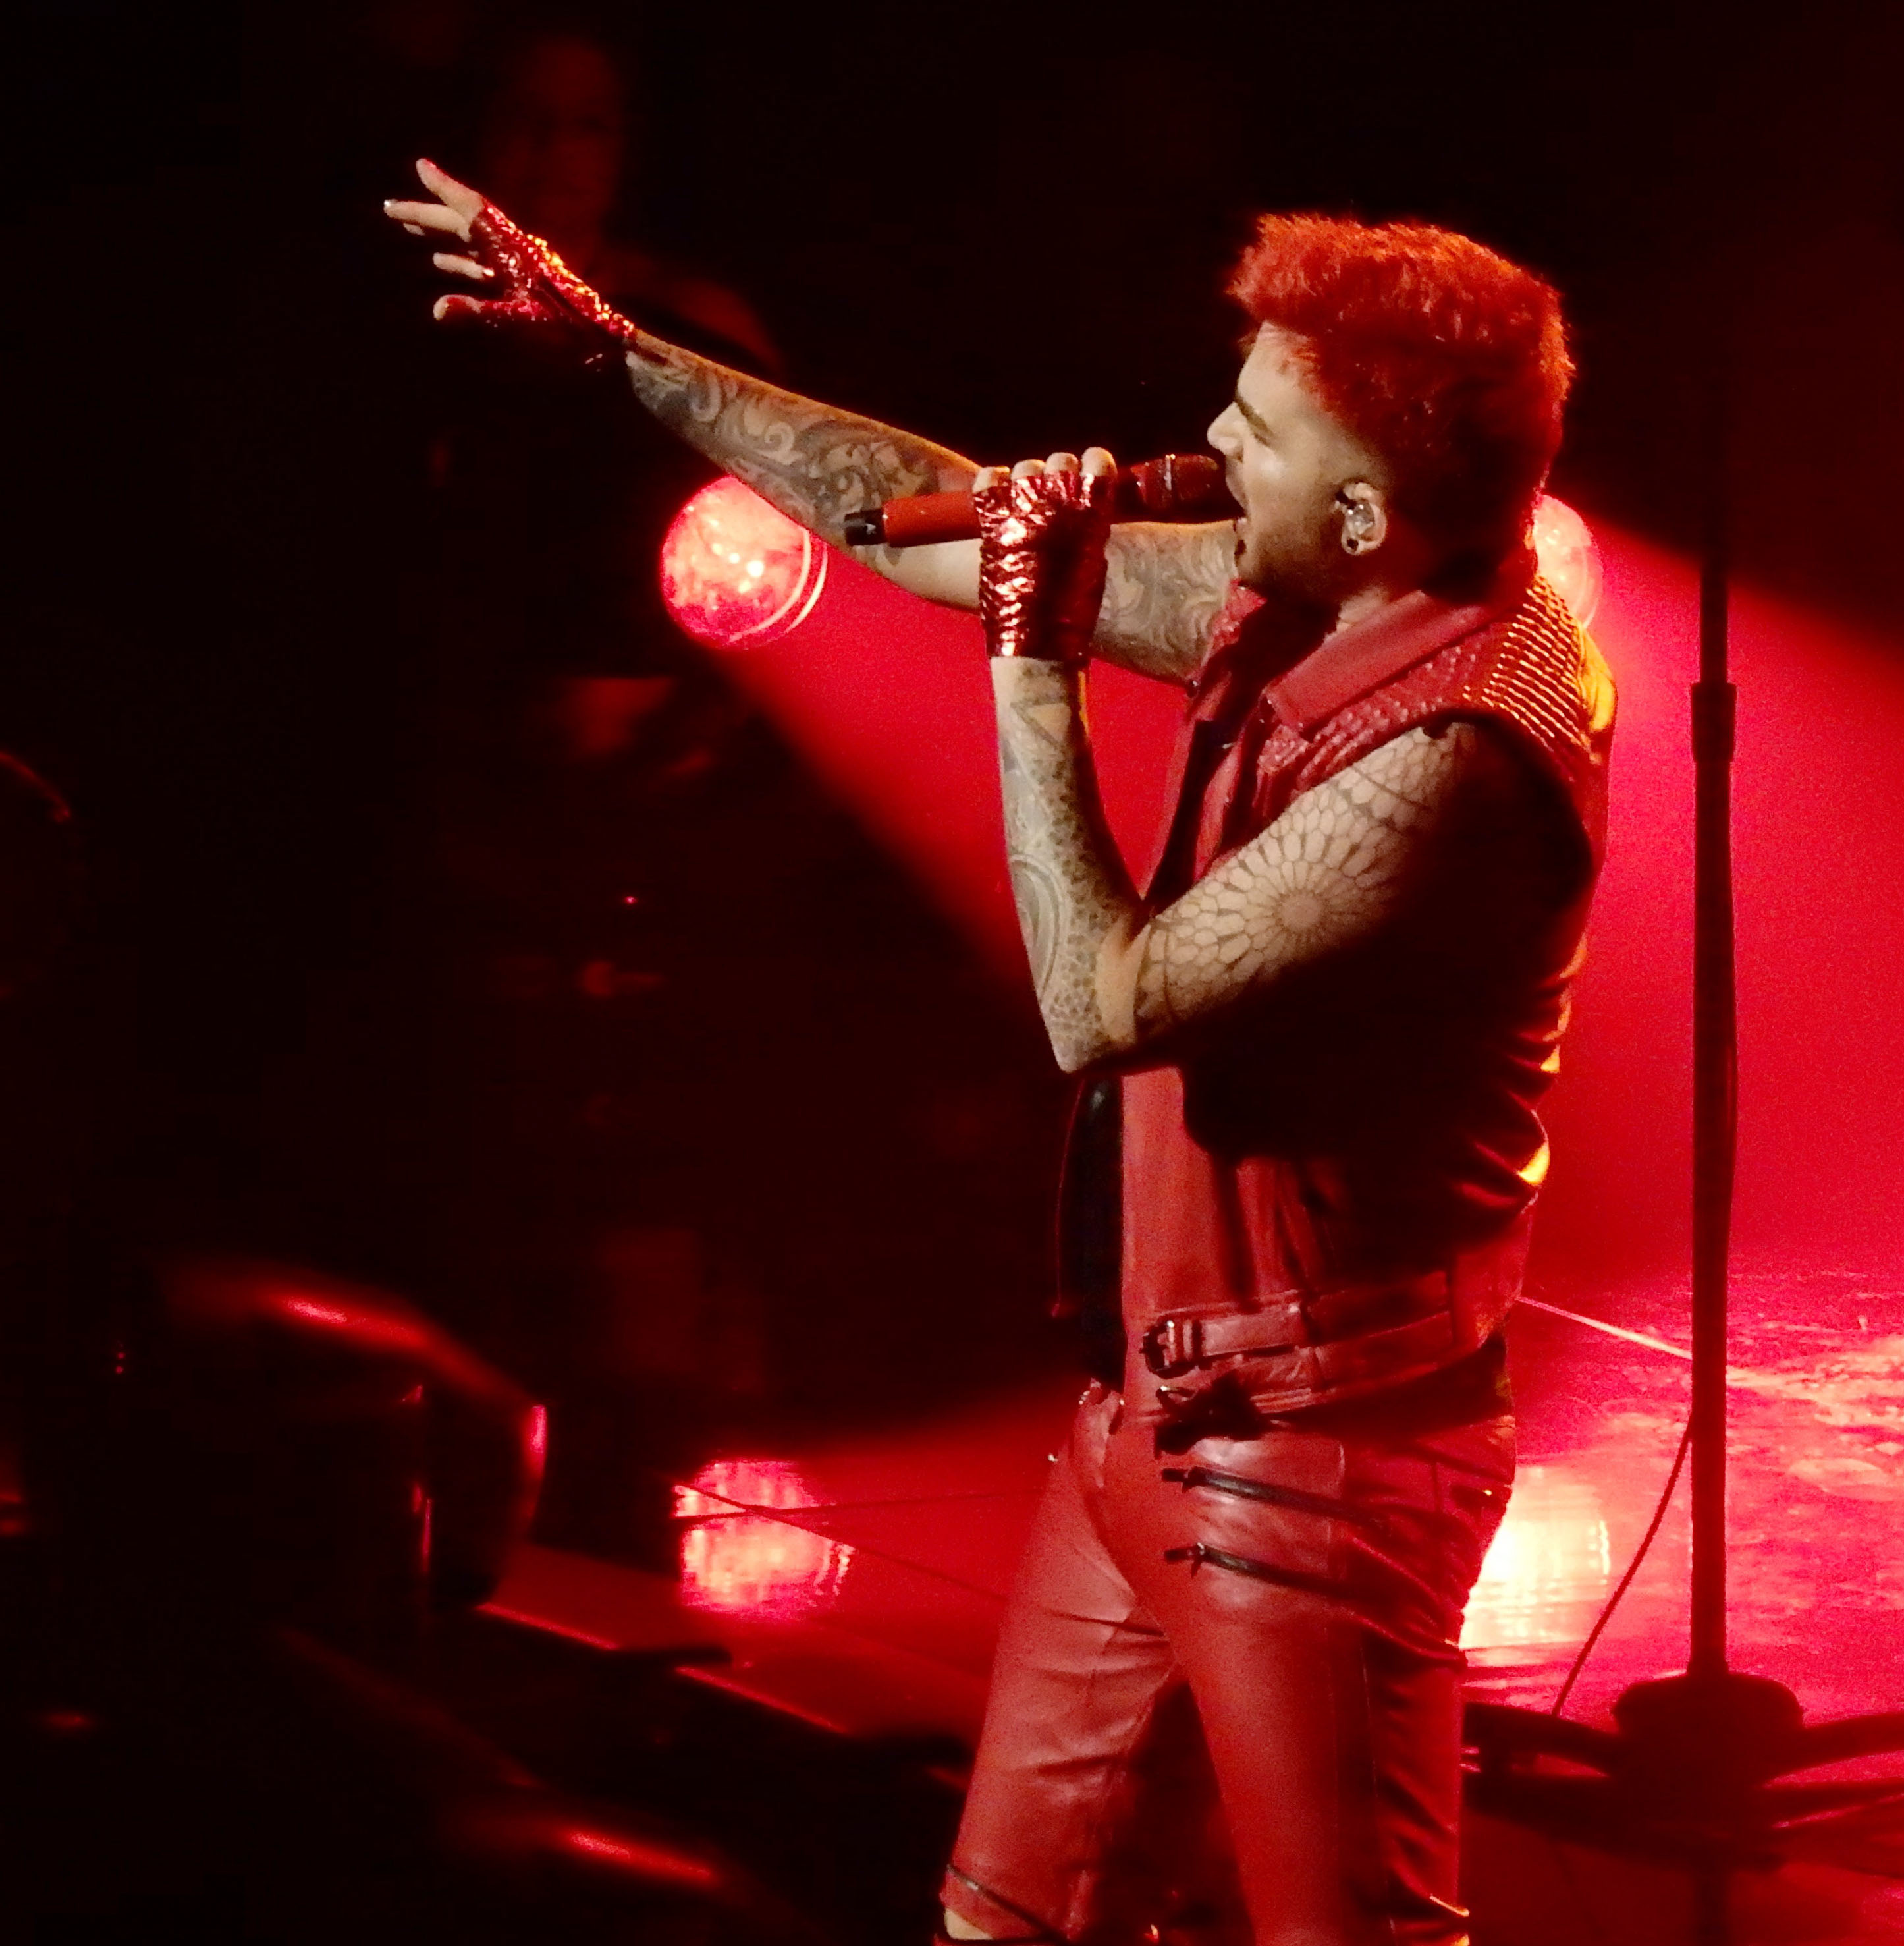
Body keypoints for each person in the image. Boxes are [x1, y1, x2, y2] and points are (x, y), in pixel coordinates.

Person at [385, 163, 1613, 1946]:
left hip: (1319, 1468)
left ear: (1363, 510)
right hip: (1152, 1426)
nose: (1210, 440)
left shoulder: (1461, 763)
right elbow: (900, 522)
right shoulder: (1310, 596)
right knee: (1008, 1923)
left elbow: (1100, 1008)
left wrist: (1034, 669)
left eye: (1258, 429)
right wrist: (627, 355)